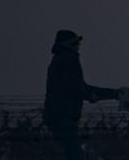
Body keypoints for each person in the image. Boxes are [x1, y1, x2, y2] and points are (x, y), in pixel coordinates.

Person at [43, 30, 121, 160]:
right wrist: (96, 94)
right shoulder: (68, 59)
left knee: (72, 153)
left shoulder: (59, 60)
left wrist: (109, 93)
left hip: (58, 115)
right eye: (75, 43)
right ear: (67, 44)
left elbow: (77, 87)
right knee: (75, 155)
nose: (78, 46)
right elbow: (75, 87)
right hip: (64, 115)